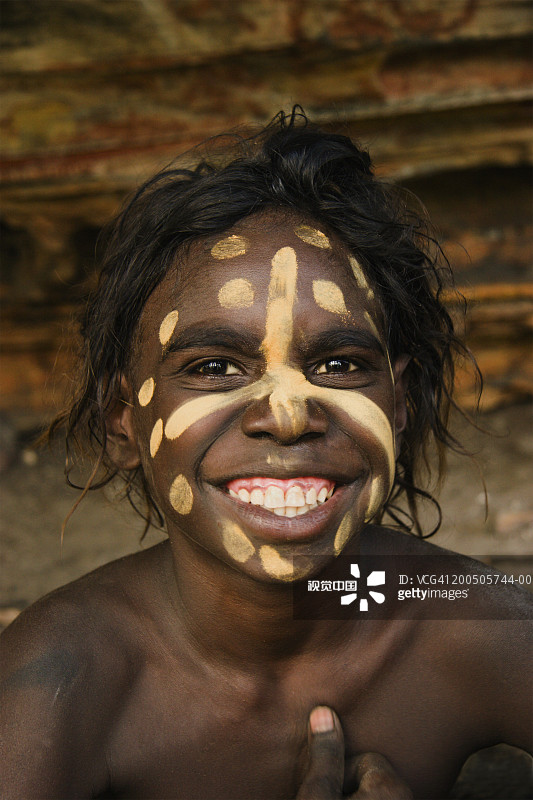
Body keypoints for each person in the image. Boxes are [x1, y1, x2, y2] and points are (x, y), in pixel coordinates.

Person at [1, 109, 530, 800]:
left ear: (396, 406)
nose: (287, 416)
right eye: (215, 367)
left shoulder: (452, 610)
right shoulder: (62, 680)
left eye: (339, 364)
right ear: (123, 420)